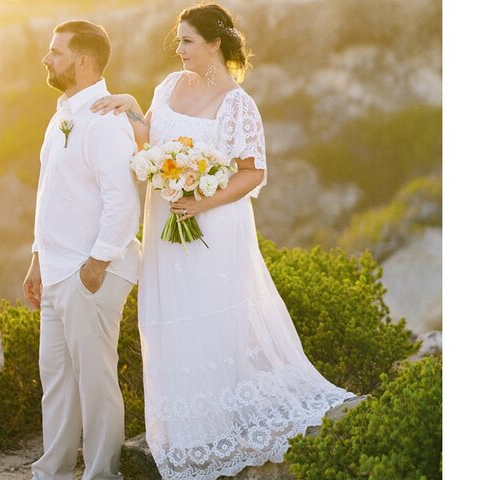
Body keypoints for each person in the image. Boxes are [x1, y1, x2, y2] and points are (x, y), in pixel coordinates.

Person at [90, 3, 356, 479]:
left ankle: (225, 421)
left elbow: (253, 173)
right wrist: (129, 108)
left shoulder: (238, 104)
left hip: (212, 226)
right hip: (167, 219)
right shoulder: (169, 85)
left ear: (215, 44)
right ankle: (189, 427)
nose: (179, 49)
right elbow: (151, 139)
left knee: (212, 311)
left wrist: (200, 202)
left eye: (187, 41)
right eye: (178, 40)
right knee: (169, 314)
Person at [24, 20, 141, 480]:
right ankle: (50, 472)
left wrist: (96, 264)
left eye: (56, 51)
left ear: (83, 60)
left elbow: (122, 199)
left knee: (95, 384)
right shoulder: (61, 115)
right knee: (56, 382)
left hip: (90, 272)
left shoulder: (107, 118)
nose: (46, 58)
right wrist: (36, 258)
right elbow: (49, 193)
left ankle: (100, 474)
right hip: (55, 270)